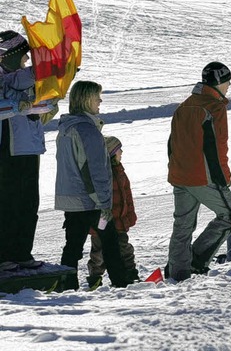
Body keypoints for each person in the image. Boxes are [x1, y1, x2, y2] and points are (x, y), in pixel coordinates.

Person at [166, 61, 231, 281]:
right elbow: (218, 147)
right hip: (202, 177)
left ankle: (177, 273)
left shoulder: (184, 106)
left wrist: (174, 171)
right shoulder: (215, 108)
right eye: (227, 82)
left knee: (183, 226)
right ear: (218, 82)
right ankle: (196, 262)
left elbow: (172, 143)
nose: (228, 86)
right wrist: (224, 179)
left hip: (180, 176)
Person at [55, 81, 131, 290]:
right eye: (97, 96)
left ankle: (67, 285)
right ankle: (121, 283)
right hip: (91, 201)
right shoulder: (86, 130)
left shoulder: (66, 129)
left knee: (72, 246)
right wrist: (103, 202)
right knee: (110, 242)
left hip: (71, 199)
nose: (100, 101)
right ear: (87, 99)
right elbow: (93, 169)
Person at [0, 30, 58, 272]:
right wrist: (18, 105)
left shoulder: (20, 79)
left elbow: (36, 100)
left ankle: (22, 252)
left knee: (28, 203)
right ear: (9, 55)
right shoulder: (5, 79)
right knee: (8, 204)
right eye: (24, 56)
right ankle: (3, 256)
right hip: (8, 150)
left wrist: (49, 101)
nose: (26, 61)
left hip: (30, 149)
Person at [86, 136, 139, 288]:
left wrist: (129, 214)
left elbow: (126, 194)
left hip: (120, 220)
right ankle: (95, 277)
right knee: (98, 252)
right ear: (111, 153)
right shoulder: (102, 172)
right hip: (103, 221)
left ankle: (131, 273)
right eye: (118, 150)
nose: (121, 152)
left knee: (125, 249)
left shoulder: (119, 170)